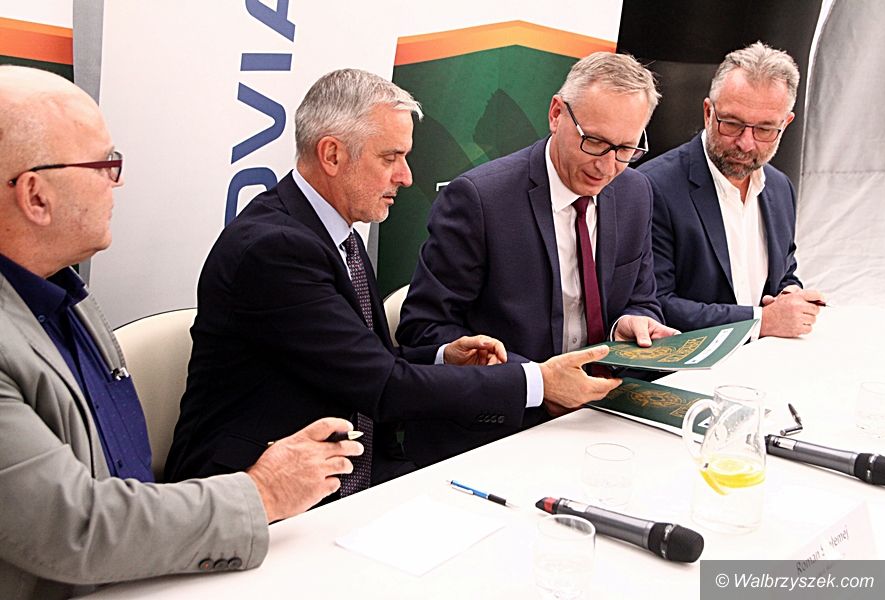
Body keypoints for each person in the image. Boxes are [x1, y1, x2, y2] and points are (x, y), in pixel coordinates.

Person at [0, 66, 368, 600]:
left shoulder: (62, 293)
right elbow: (73, 527)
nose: (117, 182)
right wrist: (263, 491)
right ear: (36, 196)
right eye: (105, 165)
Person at [165, 69, 618, 487]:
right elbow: (382, 385)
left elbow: (356, 360)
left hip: (348, 470)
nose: (406, 176)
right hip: (253, 488)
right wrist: (537, 381)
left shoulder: (334, 230)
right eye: (391, 157)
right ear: (332, 154)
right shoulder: (275, 250)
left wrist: (443, 357)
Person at [396, 51, 676, 437]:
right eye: (594, 141)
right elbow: (423, 331)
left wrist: (629, 323)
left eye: (626, 149)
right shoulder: (479, 200)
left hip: (605, 411)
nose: (606, 166)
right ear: (557, 114)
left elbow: (642, 299)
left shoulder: (635, 192)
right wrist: (537, 382)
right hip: (503, 426)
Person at [637, 42, 825, 337]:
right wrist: (761, 321)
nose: (746, 143)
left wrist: (790, 295)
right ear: (707, 112)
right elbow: (655, 304)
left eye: (765, 129)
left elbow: (784, 272)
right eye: (733, 124)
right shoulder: (651, 187)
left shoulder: (780, 188)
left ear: (786, 123)